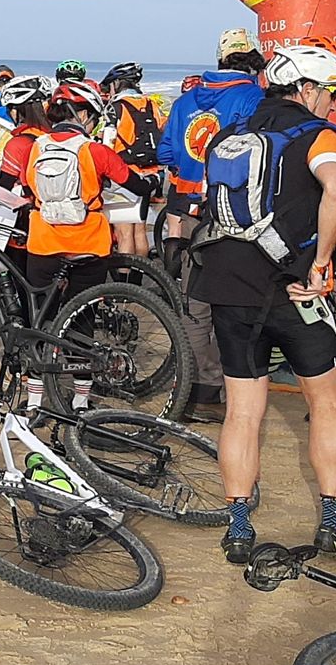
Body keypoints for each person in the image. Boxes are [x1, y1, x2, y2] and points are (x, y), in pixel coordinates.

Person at [188, 45, 336, 563]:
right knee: (325, 402)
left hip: (228, 287)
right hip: (294, 287)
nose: (333, 101)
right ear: (307, 89)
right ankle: (332, 519)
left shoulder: (231, 136)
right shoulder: (320, 136)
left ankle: (238, 526)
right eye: (330, 91)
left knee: (241, 411)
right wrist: (323, 261)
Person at [160, 29, 269, 423]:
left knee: (192, 302)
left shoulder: (186, 99)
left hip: (183, 204)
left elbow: (167, 152)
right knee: (231, 301)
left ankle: (193, 385)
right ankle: (216, 387)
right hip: (226, 207)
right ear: (254, 63)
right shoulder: (253, 97)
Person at [20, 81, 158, 297]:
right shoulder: (95, 150)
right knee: (83, 312)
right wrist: (153, 181)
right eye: (95, 119)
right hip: (88, 242)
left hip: (43, 241)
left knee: (42, 310)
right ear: (83, 115)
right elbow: (136, 185)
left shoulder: (35, 147)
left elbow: (27, 186)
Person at [99, 62, 165, 258]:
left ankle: (125, 284)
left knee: (124, 232)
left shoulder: (115, 107)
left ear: (117, 84)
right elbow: (161, 129)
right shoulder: (151, 104)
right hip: (150, 173)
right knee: (139, 230)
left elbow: (107, 141)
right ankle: (139, 279)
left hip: (124, 174)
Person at [0, 75, 54, 278]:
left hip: (28, 222)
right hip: (59, 218)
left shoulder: (18, 144)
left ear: (17, 110)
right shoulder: (52, 136)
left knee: (24, 281)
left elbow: (4, 187)